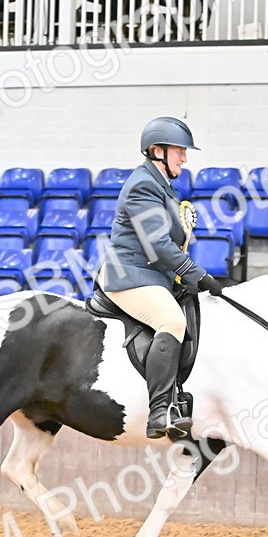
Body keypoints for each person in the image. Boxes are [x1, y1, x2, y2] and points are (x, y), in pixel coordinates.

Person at [96, 116, 222, 440]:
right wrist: (197, 273)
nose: (185, 158)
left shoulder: (162, 186)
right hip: (130, 275)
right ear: (156, 150)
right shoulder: (143, 185)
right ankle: (160, 411)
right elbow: (158, 243)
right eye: (179, 150)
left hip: (153, 276)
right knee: (172, 321)